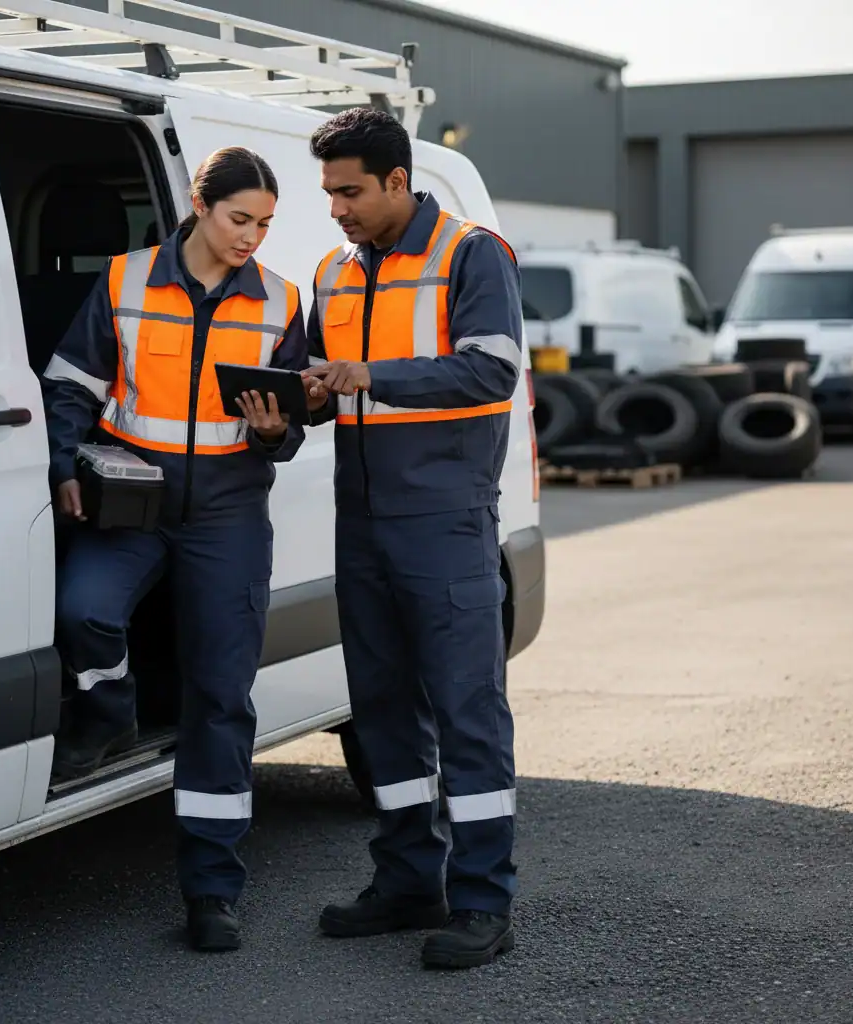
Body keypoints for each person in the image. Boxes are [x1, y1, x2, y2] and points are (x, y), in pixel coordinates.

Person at [41, 147, 307, 953]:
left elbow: (293, 423)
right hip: (133, 497)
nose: (251, 238)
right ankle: (112, 712)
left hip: (227, 508)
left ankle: (214, 888)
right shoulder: (124, 281)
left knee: (221, 694)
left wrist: (275, 430)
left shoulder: (282, 301)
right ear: (199, 202)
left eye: (264, 224)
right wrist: (62, 467)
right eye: (239, 219)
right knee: (82, 613)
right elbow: (70, 384)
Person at [300, 108, 524, 970]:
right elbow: (326, 380)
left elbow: (492, 367)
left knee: (467, 714)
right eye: (328, 192)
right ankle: (407, 882)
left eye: (350, 191)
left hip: (445, 522)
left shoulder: (470, 253)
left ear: (397, 181)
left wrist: (372, 377)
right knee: (385, 710)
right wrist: (305, 398)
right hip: (361, 524)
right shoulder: (331, 271)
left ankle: (481, 904)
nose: (336, 209)